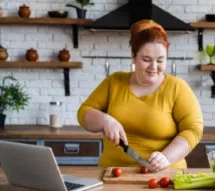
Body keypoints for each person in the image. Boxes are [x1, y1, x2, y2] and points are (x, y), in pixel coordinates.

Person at [77, 19, 203, 171]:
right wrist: (105, 120)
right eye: (146, 60)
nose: (154, 67)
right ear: (133, 56)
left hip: (164, 174)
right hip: (112, 173)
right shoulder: (114, 82)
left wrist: (166, 157)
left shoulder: (177, 88)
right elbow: (83, 112)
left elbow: (193, 130)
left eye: (160, 60)